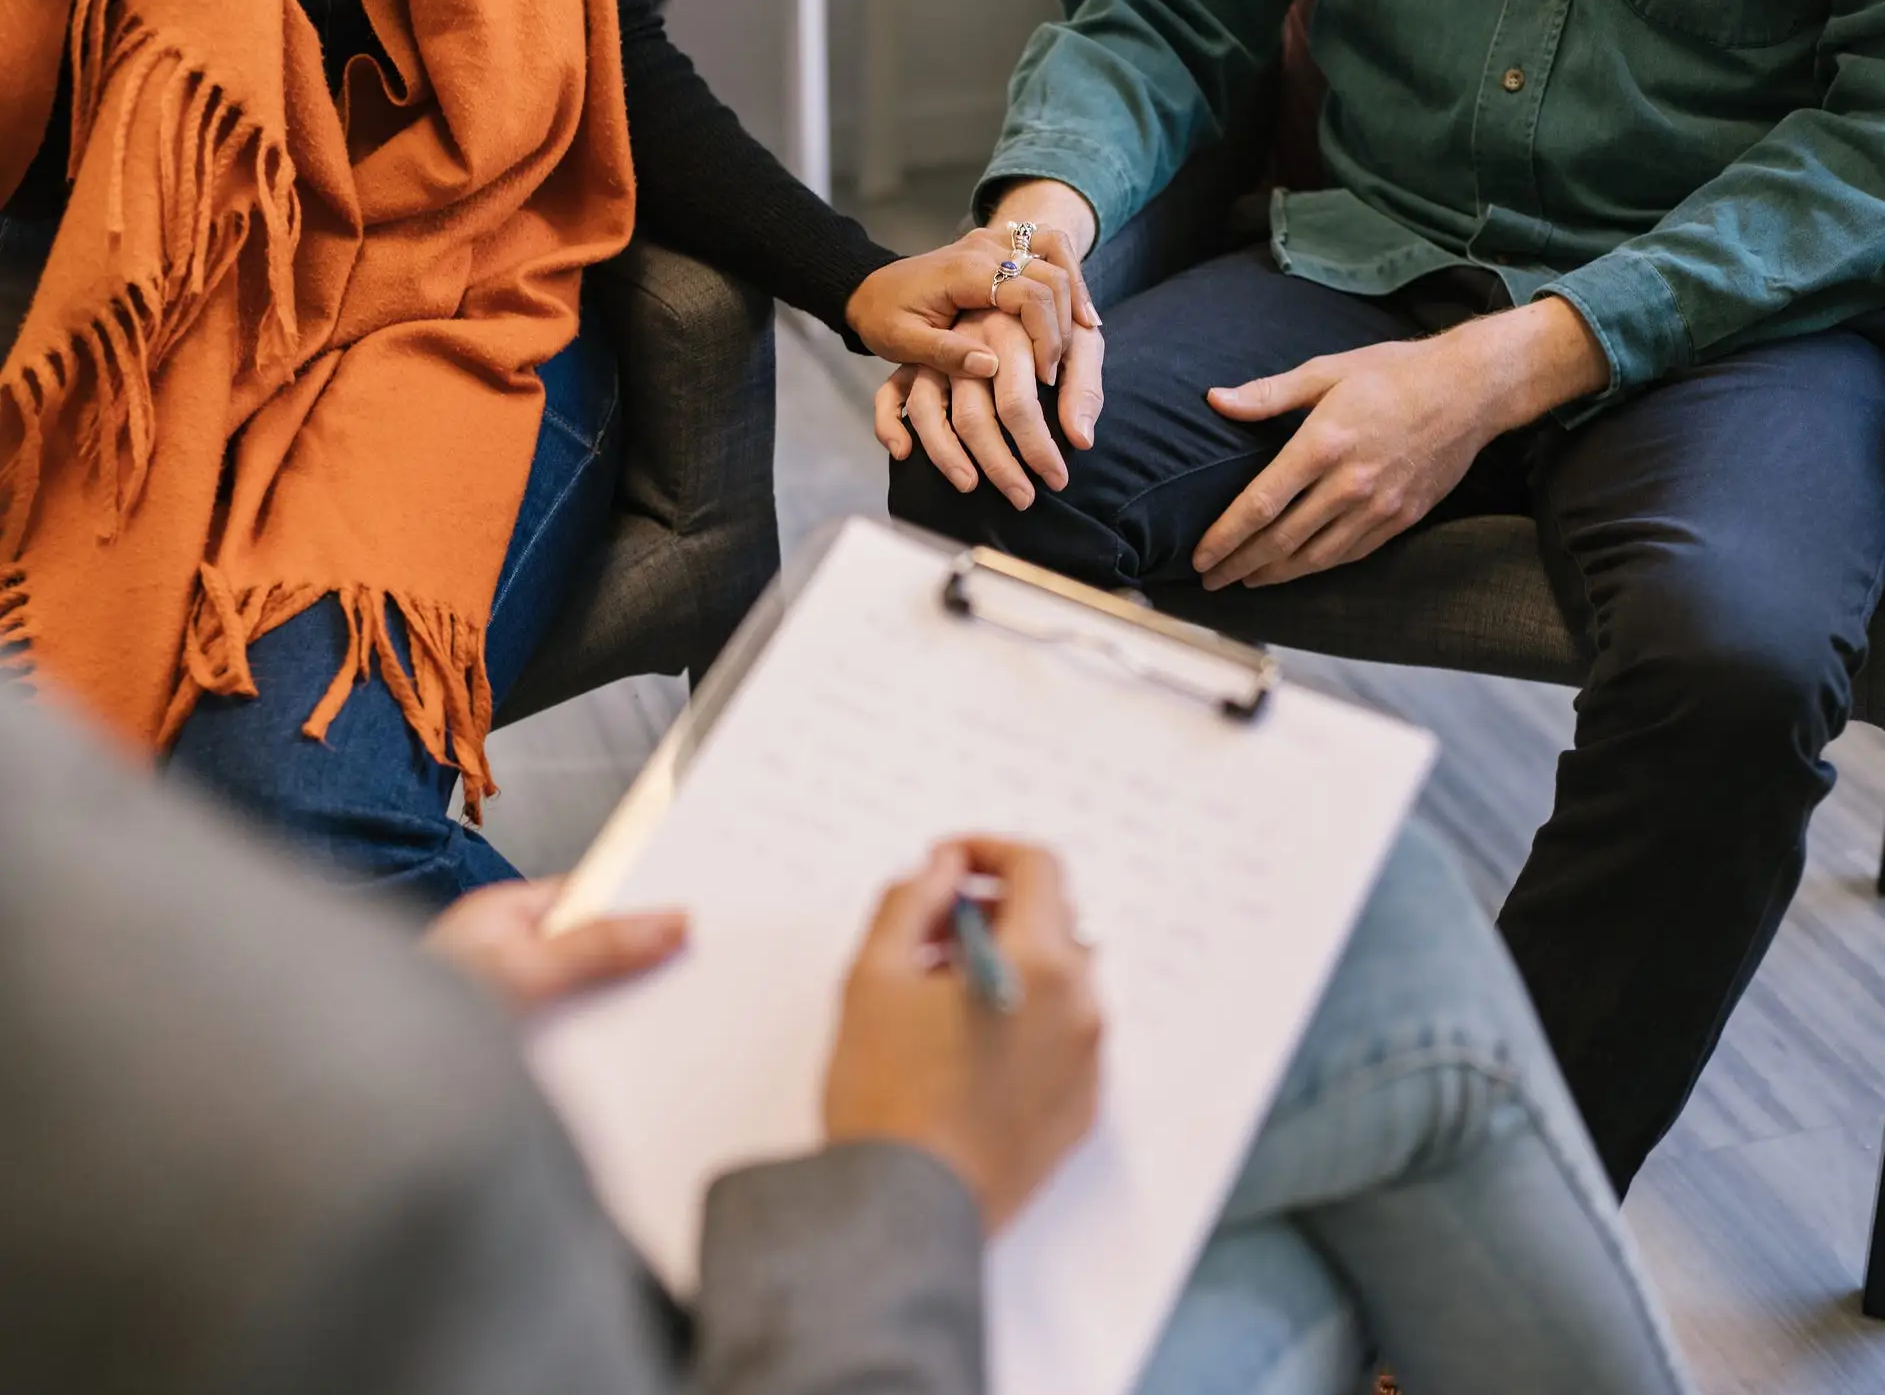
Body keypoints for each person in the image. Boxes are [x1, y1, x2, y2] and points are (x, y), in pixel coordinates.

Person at [881, 0, 1885, 1196]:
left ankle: (1474, 1222)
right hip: (1370, 249)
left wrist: (1496, 373)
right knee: (980, 468)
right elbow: (1169, 10)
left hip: (1732, 320)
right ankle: (1056, 1090)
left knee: (1735, 666)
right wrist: (1031, 239)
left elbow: (1870, 139)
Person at [1, 689, 1692, 1394]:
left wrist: (425, 995)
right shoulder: (379, 1195)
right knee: (1372, 948)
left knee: (1353, 968)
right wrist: (910, 1172)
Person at [0, 0, 1096, 904]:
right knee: (91, 825)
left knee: (294, 812)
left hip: (452, 292)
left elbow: (600, 45)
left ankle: (697, 1073)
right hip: (136, 322)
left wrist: (851, 278)